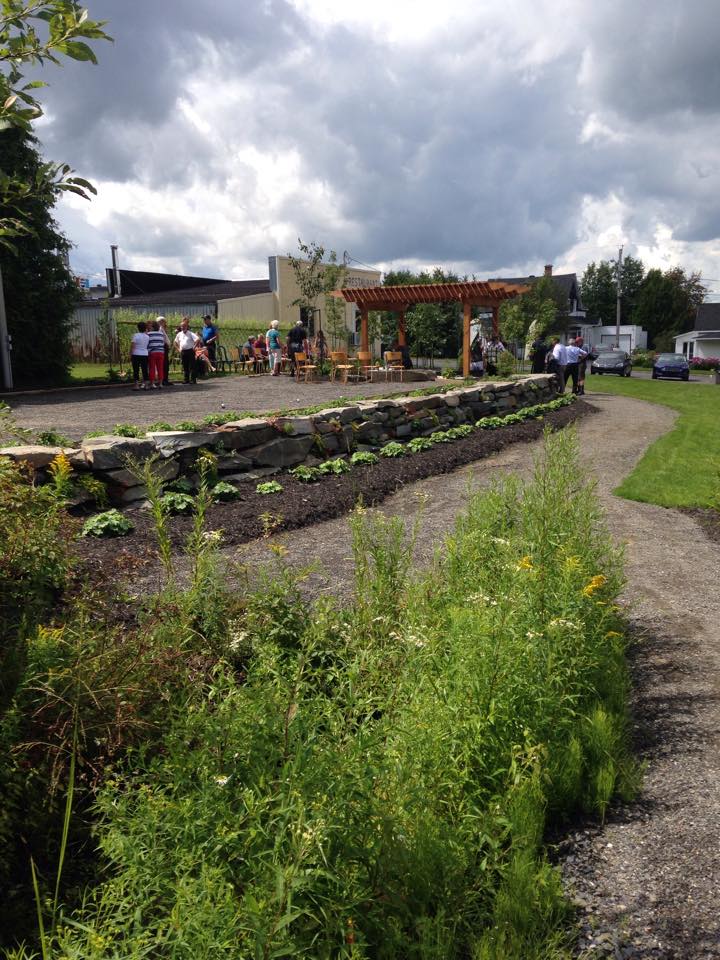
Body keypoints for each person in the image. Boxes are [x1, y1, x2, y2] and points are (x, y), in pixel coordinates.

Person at [174, 317, 200, 384]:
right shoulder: (179, 334)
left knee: (192, 366)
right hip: (183, 351)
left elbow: (198, 339)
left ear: (187, 326)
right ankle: (186, 379)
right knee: (185, 366)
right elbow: (175, 342)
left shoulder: (190, 333)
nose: (183, 327)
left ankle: (193, 380)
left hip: (190, 351)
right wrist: (178, 349)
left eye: (184, 326)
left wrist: (194, 347)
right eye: (182, 326)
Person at [146, 319, 166, 389]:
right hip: (161, 352)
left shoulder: (149, 334)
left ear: (152, 327)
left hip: (152, 352)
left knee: (152, 368)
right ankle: (160, 383)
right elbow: (163, 342)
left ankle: (152, 383)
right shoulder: (161, 334)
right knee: (160, 368)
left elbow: (147, 343)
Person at [130, 321, 150, 390]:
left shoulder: (135, 335)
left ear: (138, 328)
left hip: (136, 354)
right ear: (145, 328)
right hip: (145, 354)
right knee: (145, 370)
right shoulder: (147, 336)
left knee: (136, 370)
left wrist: (130, 354)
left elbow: (132, 346)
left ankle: (136, 385)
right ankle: (146, 385)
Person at [157, 316, 172, 385]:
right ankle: (164, 380)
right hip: (163, 347)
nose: (165, 323)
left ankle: (164, 379)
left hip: (164, 347)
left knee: (165, 364)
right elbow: (163, 339)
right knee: (164, 364)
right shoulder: (160, 329)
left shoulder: (162, 329)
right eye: (163, 321)